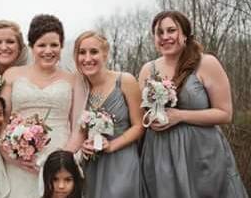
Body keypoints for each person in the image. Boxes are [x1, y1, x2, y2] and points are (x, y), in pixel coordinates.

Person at [139, 10, 248, 198]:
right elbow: (140, 114)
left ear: (185, 34)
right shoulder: (148, 69)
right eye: (159, 32)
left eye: (171, 30)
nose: (165, 37)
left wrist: (179, 116)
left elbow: (225, 113)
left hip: (201, 154)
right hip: (159, 155)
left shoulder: (206, 63)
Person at [1, 14, 79, 198]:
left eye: (54, 45)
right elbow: (2, 120)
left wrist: (62, 161)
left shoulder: (73, 79)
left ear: (61, 46)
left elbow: (78, 125)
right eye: (41, 45)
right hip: (19, 158)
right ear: (31, 47)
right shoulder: (12, 75)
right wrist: (11, 156)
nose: (48, 50)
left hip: (59, 152)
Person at [68, 31, 143, 198]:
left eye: (93, 51)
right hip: (92, 164)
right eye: (82, 52)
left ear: (105, 53)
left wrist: (111, 146)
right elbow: (78, 130)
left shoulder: (125, 81)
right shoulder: (80, 88)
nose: (87, 58)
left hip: (122, 158)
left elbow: (139, 126)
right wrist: (82, 148)